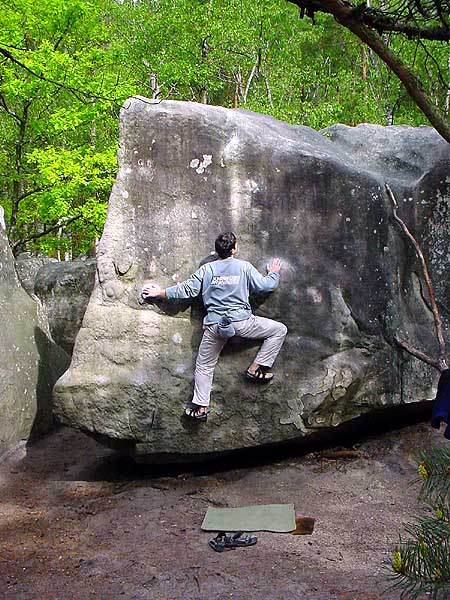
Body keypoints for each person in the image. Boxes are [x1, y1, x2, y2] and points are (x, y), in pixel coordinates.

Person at [141, 232, 287, 420]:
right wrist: (274, 273)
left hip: (215, 326)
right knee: (279, 330)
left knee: (204, 366)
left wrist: (159, 293)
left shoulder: (207, 270)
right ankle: (256, 368)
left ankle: (201, 408)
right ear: (234, 249)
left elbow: (186, 289)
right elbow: (265, 286)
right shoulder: (244, 267)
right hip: (242, 322)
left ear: (217, 250)